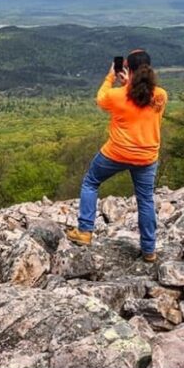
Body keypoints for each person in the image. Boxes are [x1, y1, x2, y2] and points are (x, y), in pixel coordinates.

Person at [67, 49, 168, 261]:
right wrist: (128, 84)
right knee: (146, 199)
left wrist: (111, 77)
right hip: (147, 158)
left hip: (117, 153)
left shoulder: (116, 96)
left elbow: (102, 99)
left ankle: (85, 231)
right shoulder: (160, 95)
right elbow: (139, 101)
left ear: (127, 70)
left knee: (91, 182)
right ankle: (149, 249)